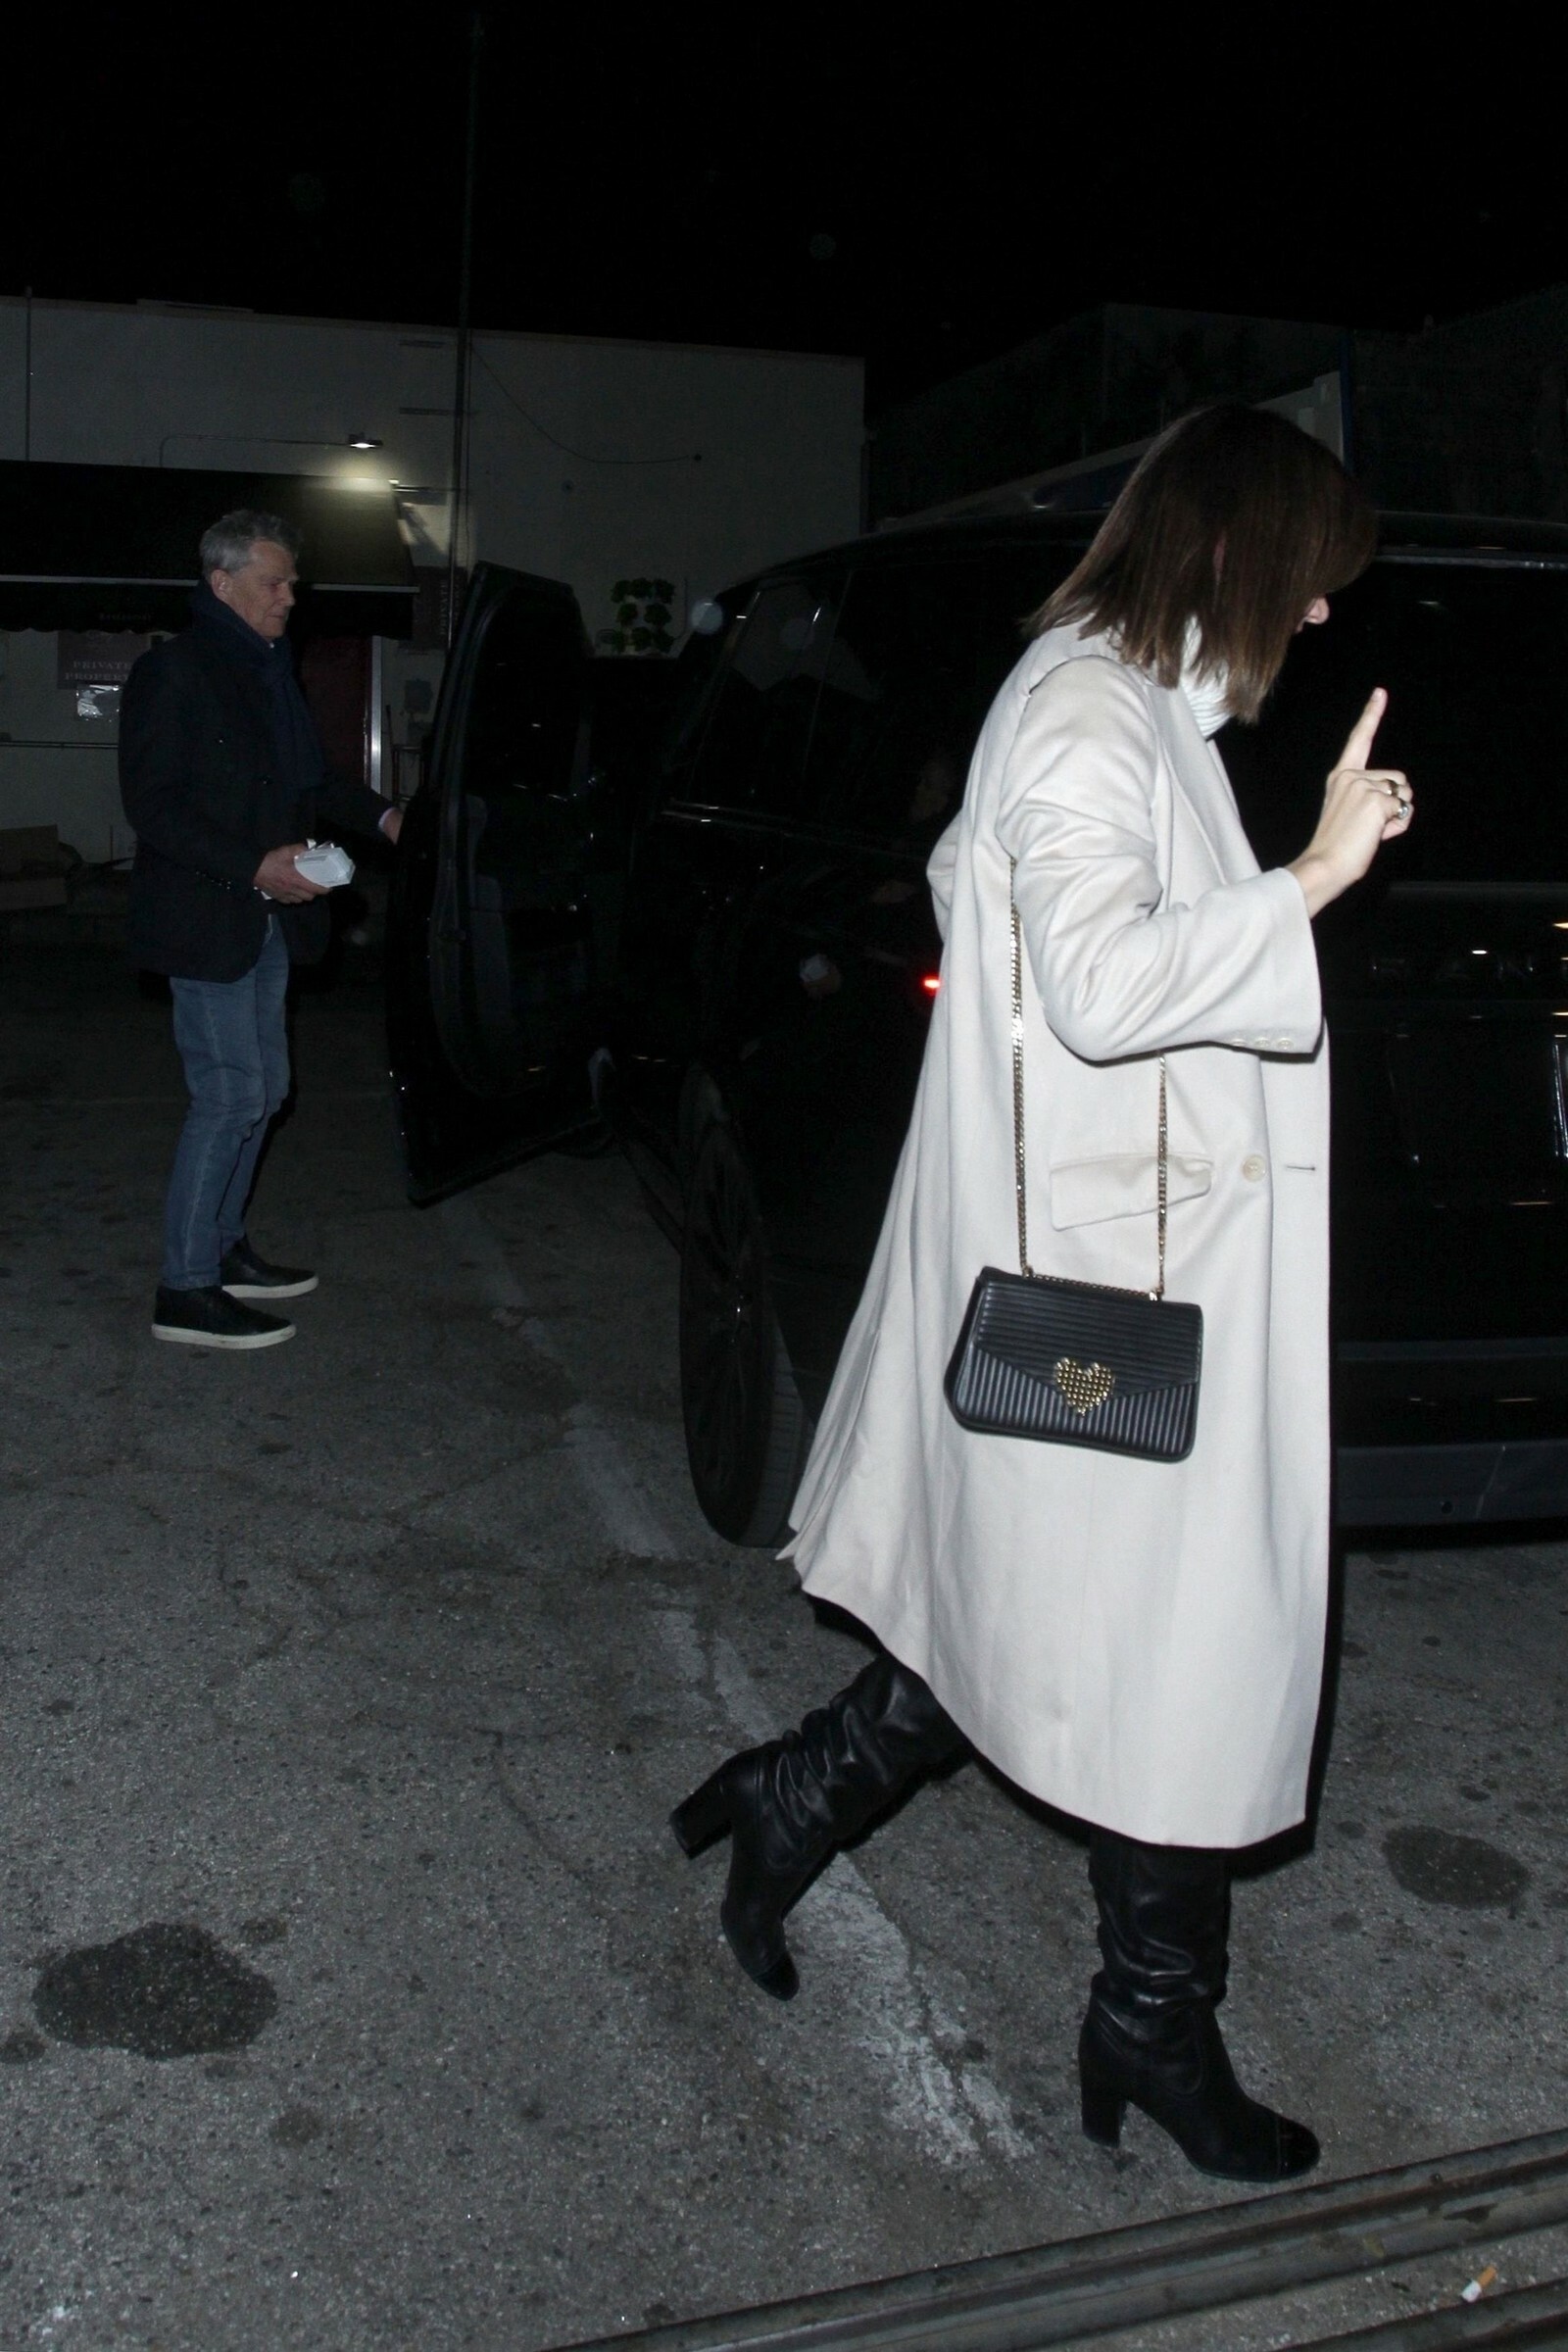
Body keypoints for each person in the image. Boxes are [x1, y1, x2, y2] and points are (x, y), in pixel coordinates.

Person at [671, 406, 1412, 2183]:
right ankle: (1148, 2026)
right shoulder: (1088, 709)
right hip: (1114, 1290)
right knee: (1157, 1660)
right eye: (1310, 577)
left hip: (1123, 1262)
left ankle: (801, 1810)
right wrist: (1311, 878)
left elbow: (995, 905)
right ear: (1231, 550)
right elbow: (1094, 983)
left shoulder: (1126, 700)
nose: (1320, 614)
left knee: (1046, 1633)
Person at [120, 511, 403, 1349]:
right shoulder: (172, 671)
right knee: (230, 1095)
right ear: (223, 583)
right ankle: (185, 1288)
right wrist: (254, 866)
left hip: (274, 920)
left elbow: (313, 782)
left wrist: (389, 818)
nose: (290, 597)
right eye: (274, 583)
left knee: (268, 1091)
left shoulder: (272, 670)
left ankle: (222, 1246)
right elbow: (153, 807)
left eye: (292, 582)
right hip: (208, 919)